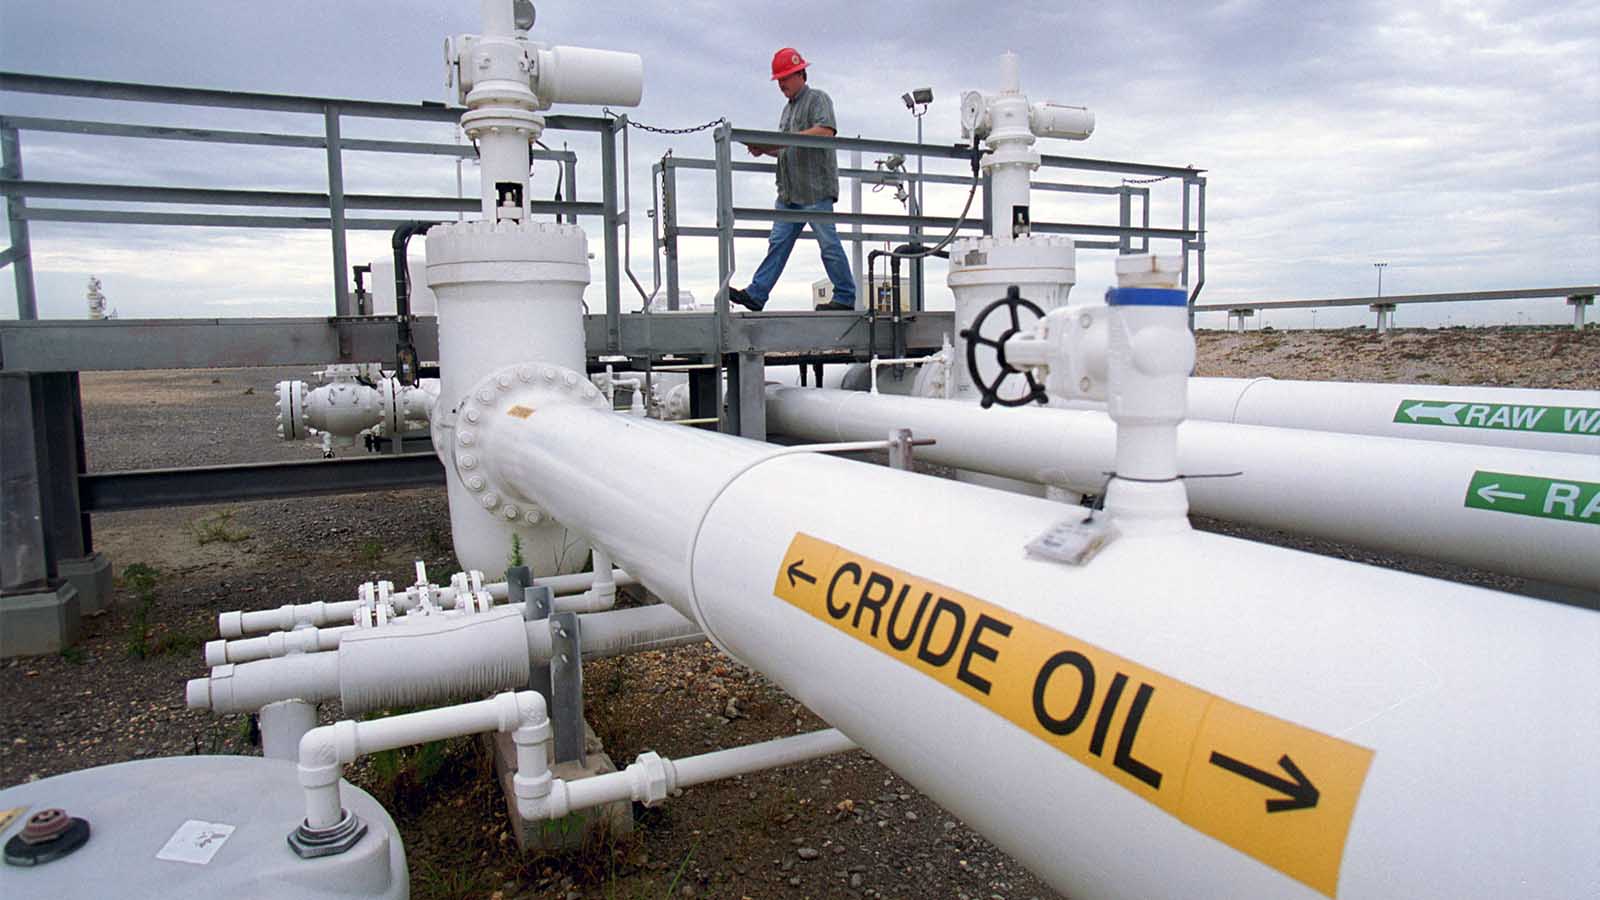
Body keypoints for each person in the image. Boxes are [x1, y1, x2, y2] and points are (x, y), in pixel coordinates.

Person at [727, 48, 858, 312]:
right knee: (778, 243)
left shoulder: (818, 99)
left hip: (814, 190)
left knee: (828, 244)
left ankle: (845, 296)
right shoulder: (787, 111)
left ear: (800, 74)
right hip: (790, 193)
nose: (781, 84)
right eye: (779, 79)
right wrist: (765, 149)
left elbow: (826, 131)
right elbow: (786, 149)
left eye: (785, 78)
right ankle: (757, 294)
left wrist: (782, 142)